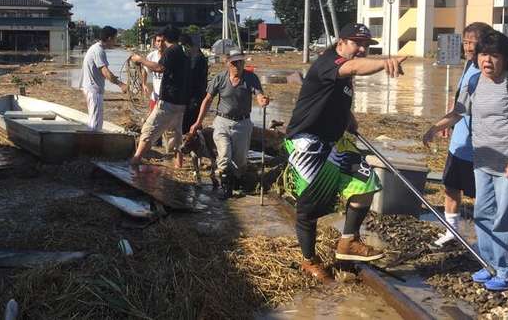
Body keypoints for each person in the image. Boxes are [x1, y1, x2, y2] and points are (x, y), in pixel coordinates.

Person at [284, 23, 407, 283]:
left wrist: (348, 118)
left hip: (334, 142)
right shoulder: (330, 62)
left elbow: (334, 95)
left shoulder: (343, 73)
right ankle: (309, 260)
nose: (362, 49)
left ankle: (348, 241)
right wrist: (385, 62)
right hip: (306, 143)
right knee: (309, 208)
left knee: (366, 183)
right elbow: (352, 67)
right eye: (357, 43)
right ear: (341, 42)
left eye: (366, 45)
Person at [423, 26, 508, 292]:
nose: (487, 61)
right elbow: (459, 111)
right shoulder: (474, 82)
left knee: (505, 218)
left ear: (506, 58)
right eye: (484, 55)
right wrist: (434, 127)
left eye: (494, 56)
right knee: (484, 214)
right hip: (482, 161)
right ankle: (489, 264)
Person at [432, 23, 483, 247]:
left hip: (481, 147)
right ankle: (452, 231)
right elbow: (460, 100)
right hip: (459, 142)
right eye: (465, 42)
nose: (468, 47)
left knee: (482, 196)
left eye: (473, 42)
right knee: (450, 187)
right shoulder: (468, 66)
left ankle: (486, 240)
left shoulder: (491, 70)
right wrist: (445, 122)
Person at [189, 48, 269, 188]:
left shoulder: (251, 78)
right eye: (234, 63)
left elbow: (259, 95)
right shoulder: (220, 78)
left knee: (240, 162)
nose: (237, 66)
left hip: (242, 123)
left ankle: (236, 183)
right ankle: (225, 188)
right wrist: (198, 122)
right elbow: (207, 100)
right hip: (222, 122)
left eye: (240, 62)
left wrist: (263, 100)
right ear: (228, 63)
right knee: (224, 155)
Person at [129, 26, 189, 168]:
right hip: (180, 102)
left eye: (162, 39)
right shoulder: (181, 51)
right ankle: (178, 166)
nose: (160, 43)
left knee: (148, 130)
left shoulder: (171, 51)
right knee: (175, 135)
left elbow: (159, 68)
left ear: (166, 38)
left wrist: (140, 59)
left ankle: (135, 160)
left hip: (168, 101)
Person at [79, 26, 127, 131]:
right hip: (93, 90)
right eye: (115, 39)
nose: (115, 41)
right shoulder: (98, 50)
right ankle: (93, 145)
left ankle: (92, 143)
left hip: (91, 88)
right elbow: (105, 72)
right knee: (95, 123)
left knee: (94, 120)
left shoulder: (96, 48)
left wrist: (113, 77)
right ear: (109, 38)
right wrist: (121, 84)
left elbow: (104, 72)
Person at [141, 30, 166, 112]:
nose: (160, 43)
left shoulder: (170, 56)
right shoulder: (151, 56)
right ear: (155, 43)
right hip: (155, 96)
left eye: (163, 41)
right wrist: (144, 84)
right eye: (158, 41)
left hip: (167, 99)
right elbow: (145, 69)